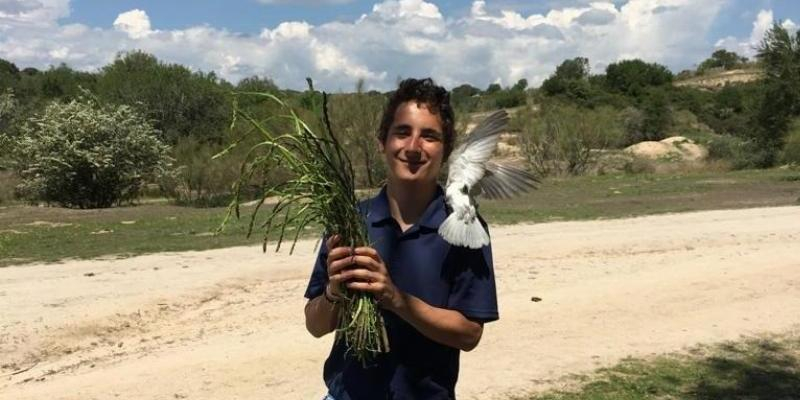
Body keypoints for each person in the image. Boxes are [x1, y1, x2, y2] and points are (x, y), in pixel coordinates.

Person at [304, 78, 498, 400]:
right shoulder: (349, 221)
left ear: (446, 150)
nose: (413, 147)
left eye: (430, 136)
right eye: (402, 132)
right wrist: (334, 292)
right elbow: (315, 325)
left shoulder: (465, 229)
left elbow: (469, 334)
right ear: (382, 141)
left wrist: (397, 299)